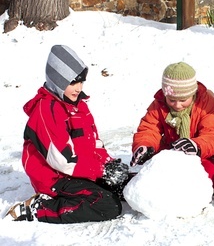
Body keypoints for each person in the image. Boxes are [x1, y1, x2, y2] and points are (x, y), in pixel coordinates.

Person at [5, 45, 129, 223]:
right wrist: (101, 171)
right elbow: (62, 161)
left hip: (79, 172)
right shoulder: (45, 110)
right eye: (73, 82)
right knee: (106, 204)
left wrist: (108, 164)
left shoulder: (79, 105)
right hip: (54, 178)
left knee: (123, 183)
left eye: (81, 81)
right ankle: (38, 209)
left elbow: (94, 144)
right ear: (58, 81)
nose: (79, 88)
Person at [131, 62, 214, 192]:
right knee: (158, 179)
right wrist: (145, 145)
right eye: (172, 100)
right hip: (172, 152)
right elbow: (149, 129)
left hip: (206, 155)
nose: (177, 105)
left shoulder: (206, 103)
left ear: (192, 94)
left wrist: (196, 146)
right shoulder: (159, 104)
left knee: (204, 181)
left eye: (182, 100)